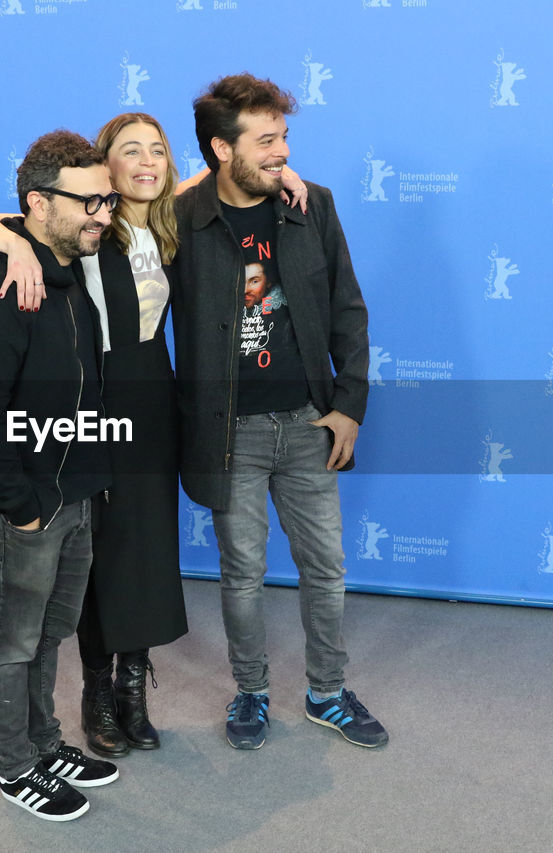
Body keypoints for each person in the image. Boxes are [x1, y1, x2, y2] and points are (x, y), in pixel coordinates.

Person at [0, 113, 189, 760]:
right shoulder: (64, 246)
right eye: (129, 152)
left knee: (126, 559)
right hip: (71, 432)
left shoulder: (166, 224)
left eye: (158, 150)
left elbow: (234, 175)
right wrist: (15, 244)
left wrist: (286, 170)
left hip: (134, 420)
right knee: (58, 590)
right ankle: (65, 718)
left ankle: (110, 701)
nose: (145, 161)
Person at [172, 73, 387, 750]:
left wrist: (349, 405)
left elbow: (349, 311)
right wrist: (194, 184)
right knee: (241, 573)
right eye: (266, 141)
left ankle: (327, 692)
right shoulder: (181, 218)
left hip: (305, 421)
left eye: (285, 137)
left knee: (326, 566)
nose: (282, 152)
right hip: (225, 429)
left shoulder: (311, 205)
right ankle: (252, 692)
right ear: (219, 148)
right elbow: (117, 208)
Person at [0, 129, 122, 822]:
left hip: (71, 494)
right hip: (23, 507)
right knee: (10, 641)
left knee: (49, 633)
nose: (103, 214)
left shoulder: (65, 272)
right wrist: (19, 507)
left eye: (107, 199)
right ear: (38, 205)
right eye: (90, 201)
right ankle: (15, 764)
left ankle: (45, 741)